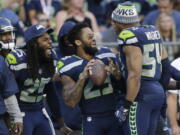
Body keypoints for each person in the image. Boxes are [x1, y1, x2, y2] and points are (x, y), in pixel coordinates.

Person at [54, 23, 122, 135]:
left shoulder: (106, 53)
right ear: (78, 42)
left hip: (114, 115)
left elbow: (124, 88)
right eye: (89, 37)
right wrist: (81, 79)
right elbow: (70, 102)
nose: (93, 39)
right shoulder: (68, 63)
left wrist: (118, 76)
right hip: (91, 119)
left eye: (93, 36)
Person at [111, 1, 168, 135]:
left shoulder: (127, 35)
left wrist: (126, 106)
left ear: (120, 22)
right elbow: (166, 65)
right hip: (157, 92)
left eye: (114, 21)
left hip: (140, 94)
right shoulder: (152, 29)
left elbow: (135, 75)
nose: (112, 25)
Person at [6, 24, 72, 135]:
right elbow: (7, 92)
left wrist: (61, 123)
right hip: (21, 112)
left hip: (40, 110)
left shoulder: (49, 60)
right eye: (45, 40)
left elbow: (51, 93)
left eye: (50, 38)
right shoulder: (19, 61)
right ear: (34, 44)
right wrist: (11, 119)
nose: (50, 42)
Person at [0, 17, 23, 135]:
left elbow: (8, 93)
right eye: (4, 34)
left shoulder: (17, 57)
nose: (8, 38)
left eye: (10, 34)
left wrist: (16, 118)